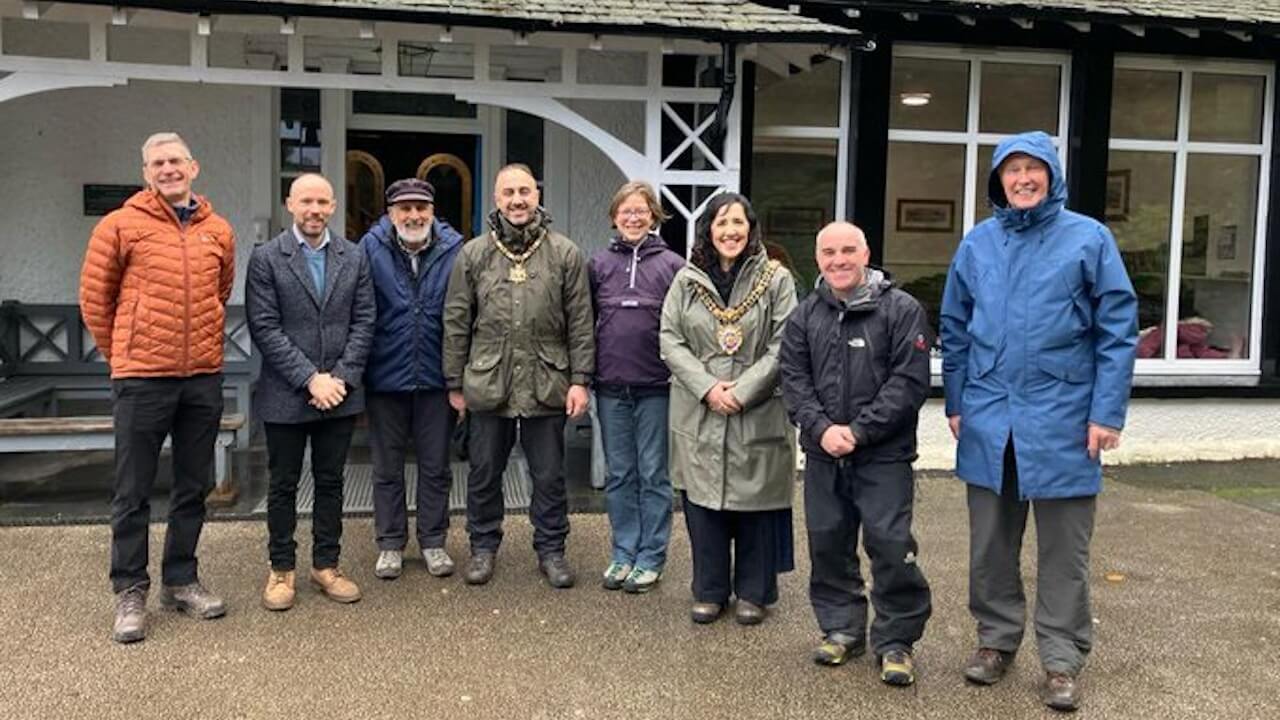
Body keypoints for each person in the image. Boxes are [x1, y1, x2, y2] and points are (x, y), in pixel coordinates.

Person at [939, 131, 1138, 712]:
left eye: (1034, 168)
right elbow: (954, 328)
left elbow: (1117, 331)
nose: (1022, 179)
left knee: (1064, 551)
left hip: (1064, 420)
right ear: (998, 180)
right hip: (989, 418)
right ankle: (996, 641)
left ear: (1052, 174)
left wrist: (1106, 412)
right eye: (1011, 170)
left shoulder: (1089, 238)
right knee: (991, 545)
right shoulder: (977, 244)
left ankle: (1060, 658)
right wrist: (957, 402)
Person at [79, 132, 235, 643]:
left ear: (194, 167)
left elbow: (220, 292)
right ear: (146, 172)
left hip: (201, 377)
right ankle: (129, 590)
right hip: (142, 378)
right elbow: (95, 301)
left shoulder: (219, 230)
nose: (168, 169)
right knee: (133, 490)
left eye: (175, 161)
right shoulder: (119, 225)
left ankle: (181, 579)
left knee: (193, 486)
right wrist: (125, 353)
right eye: (157, 163)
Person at [780, 222, 932, 686]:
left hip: (883, 455)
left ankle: (896, 642)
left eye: (848, 250)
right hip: (824, 453)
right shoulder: (805, 316)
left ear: (866, 253)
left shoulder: (901, 310)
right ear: (817, 257)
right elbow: (793, 379)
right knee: (828, 543)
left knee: (890, 545)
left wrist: (860, 432)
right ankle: (842, 628)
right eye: (829, 252)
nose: (839, 260)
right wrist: (822, 429)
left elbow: (909, 382)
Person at [442, 163, 594, 589]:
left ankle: (551, 550)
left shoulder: (565, 253)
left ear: (537, 194)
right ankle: (483, 548)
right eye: (508, 192)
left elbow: (581, 322)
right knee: (485, 471)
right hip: (489, 382)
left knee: (549, 475)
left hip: (548, 381)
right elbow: (456, 321)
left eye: (524, 191)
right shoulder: (474, 254)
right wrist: (455, 383)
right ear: (496, 199)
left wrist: (580, 379)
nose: (517, 200)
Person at [659, 192, 797, 625]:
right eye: (721, 223)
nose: (730, 231)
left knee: (755, 502)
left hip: (756, 408)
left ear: (751, 228)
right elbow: (669, 339)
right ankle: (710, 590)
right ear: (708, 230)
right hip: (699, 408)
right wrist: (706, 388)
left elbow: (784, 343)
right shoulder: (686, 280)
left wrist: (743, 390)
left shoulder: (776, 279)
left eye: (738, 222)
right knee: (703, 504)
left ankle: (754, 592)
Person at [246, 173, 375, 611]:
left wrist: (338, 378)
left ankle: (326, 565)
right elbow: (264, 326)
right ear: (290, 205)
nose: (314, 209)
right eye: (306, 201)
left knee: (331, 481)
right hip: (286, 393)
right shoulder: (267, 258)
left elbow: (364, 322)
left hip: (339, 393)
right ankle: (281, 569)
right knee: (282, 484)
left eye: (322, 201)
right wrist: (309, 378)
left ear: (334, 206)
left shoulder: (354, 257)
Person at [360, 178, 464, 580]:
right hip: (385, 376)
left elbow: (465, 316)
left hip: (438, 377)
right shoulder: (370, 249)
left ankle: (434, 541)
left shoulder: (456, 250)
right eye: (404, 208)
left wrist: (460, 378)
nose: (413, 215)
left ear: (432, 211)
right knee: (387, 467)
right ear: (391, 214)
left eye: (421, 207)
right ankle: (389, 543)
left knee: (436, 466)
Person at [589, 181, 685, 593]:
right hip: (611, 386)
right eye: (625, 211)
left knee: (653, 473)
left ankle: (651, 556)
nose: (633, 217)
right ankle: (623, 552)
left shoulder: (674, 266)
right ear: (614, 217)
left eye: (641, 211)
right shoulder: (597, 265)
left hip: (657, 388)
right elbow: (583, 321)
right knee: (620, 473)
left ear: (654, 217)